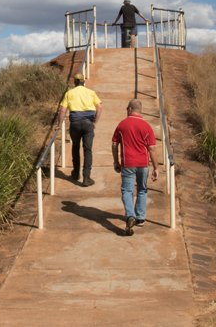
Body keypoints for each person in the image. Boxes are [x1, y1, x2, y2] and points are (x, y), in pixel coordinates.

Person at [112, 99, 158, 236]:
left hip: (128, 163)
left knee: (127, 191)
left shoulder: (122, 125)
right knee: (142, 189)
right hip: (143, 164)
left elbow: (114, 144)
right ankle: (141, 217)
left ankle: (130, 215)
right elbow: (152, 149)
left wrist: (116, 162)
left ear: (130, 109)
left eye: (127, 108)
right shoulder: (146, 126)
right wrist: (156, 167)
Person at [57, 72, 103, 187]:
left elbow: (62, 110)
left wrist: (59, 123)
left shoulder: (69, 93)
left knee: (75, 147)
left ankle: (76, 173)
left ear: (75, 82)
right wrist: (94, 122)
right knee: (87, 150)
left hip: (75, 124)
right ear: (83, 82)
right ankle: (86, 178)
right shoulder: (91, 93)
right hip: (88, 124)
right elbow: (100, 107)